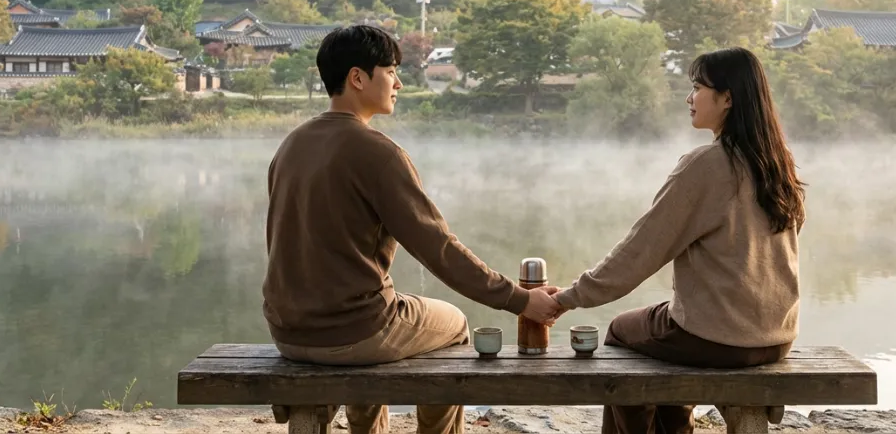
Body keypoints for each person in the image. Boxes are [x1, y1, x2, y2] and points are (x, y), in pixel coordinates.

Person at [262, 25, 561, 434]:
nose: (398, 82)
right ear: (357, 78)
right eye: (390, 71)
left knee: (387, 308)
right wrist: (519, 300)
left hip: (287, 330)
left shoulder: (290, 146)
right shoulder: (378, 154)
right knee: (454, 324)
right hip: (349, 333)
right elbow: (438, 249)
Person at [552, 47, 806, 434]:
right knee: (663, 337)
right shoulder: (777, 163)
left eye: (697, 87)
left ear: (727, 98)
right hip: (776, 337)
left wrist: (569, 297)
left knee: (622, 331)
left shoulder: (706, 165)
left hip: (720, 339)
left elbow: (640, 251)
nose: (689, 98)